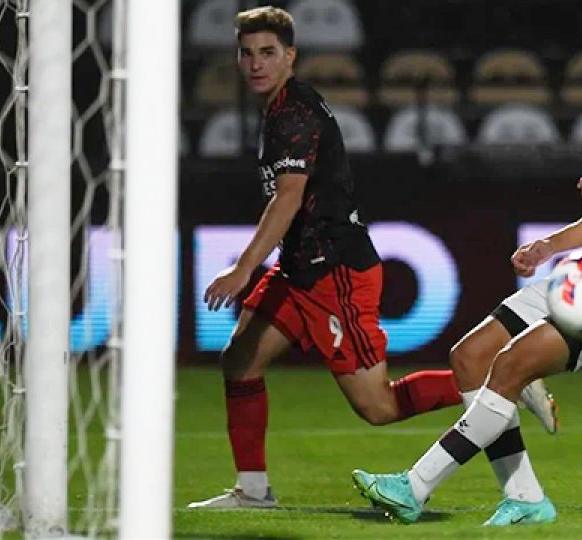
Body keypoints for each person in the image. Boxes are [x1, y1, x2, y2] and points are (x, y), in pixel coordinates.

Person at [352, 5, 582, 526]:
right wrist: (550, 245)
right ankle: (525, 497)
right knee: (470, 358)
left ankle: (414, 487)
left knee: (508, 366)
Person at [188, 6, 557, 509]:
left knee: (378, 406)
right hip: (299, 268)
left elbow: (289, 196)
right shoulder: (279, 109)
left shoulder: (294, 114)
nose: (256, 63)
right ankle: (252, 489)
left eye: (268, 53)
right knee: (240, 361)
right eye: (247, 53)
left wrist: (243, 267)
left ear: (290, 56)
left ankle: (505, 379)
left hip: (334, 271)